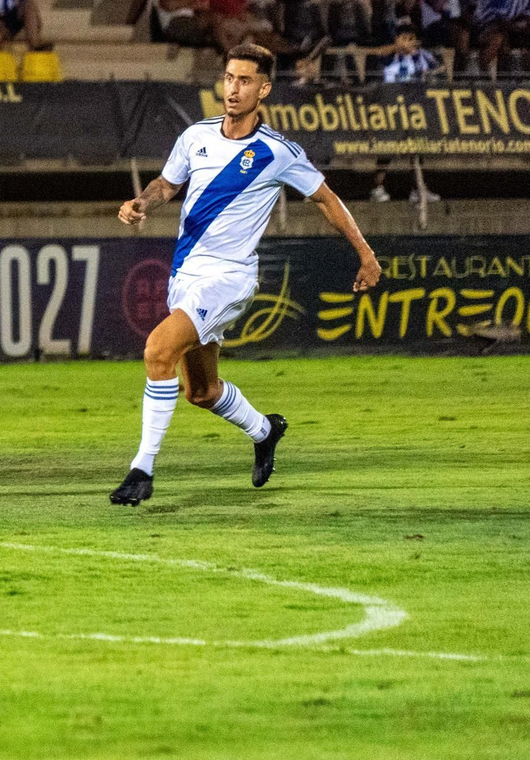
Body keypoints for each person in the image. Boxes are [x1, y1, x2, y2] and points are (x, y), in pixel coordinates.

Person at [109, 43, 380, 506]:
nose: (233, 89)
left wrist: (366, 254)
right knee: (202, 391)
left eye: (245, 80)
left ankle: (142, 470)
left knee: (158, 350)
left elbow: (326, 200)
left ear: (264, 89)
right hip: (186, 275)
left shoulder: (278, 152)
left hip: (230, 278)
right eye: (230, 78)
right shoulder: (195, 136)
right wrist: (142, 203)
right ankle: (265, 430)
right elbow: (167, 184)